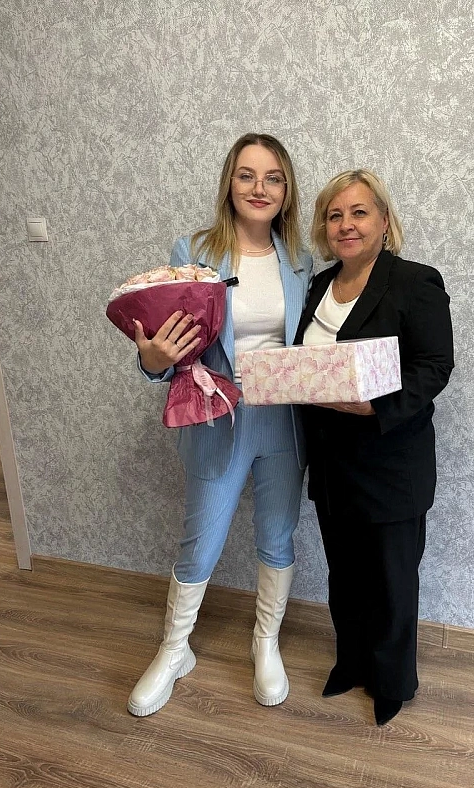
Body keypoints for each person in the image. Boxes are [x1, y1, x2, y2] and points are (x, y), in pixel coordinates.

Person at [127, 133, 312, 717]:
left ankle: (265, 642)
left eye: (273, 177)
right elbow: (168, 346)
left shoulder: (302, 259)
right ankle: (174, 650)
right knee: (200, 541)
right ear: (229, 183)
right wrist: (152, 361)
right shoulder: (194, 250)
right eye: (247, 175)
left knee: (277, 535)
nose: (259, 188)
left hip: (284, 421)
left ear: (286, 190)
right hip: (218, 419)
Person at [294, 169, 454, 726]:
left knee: (391, 580)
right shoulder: (318, 287)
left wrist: (375, 407)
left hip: (391, 464)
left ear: (384, 221)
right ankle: (352, 663)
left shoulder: (414, 281)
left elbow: (434, 366)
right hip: (331, 464)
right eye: (334, 215)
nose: (346, 224)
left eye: (359, 212)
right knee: (345, 576)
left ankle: (392, 682)